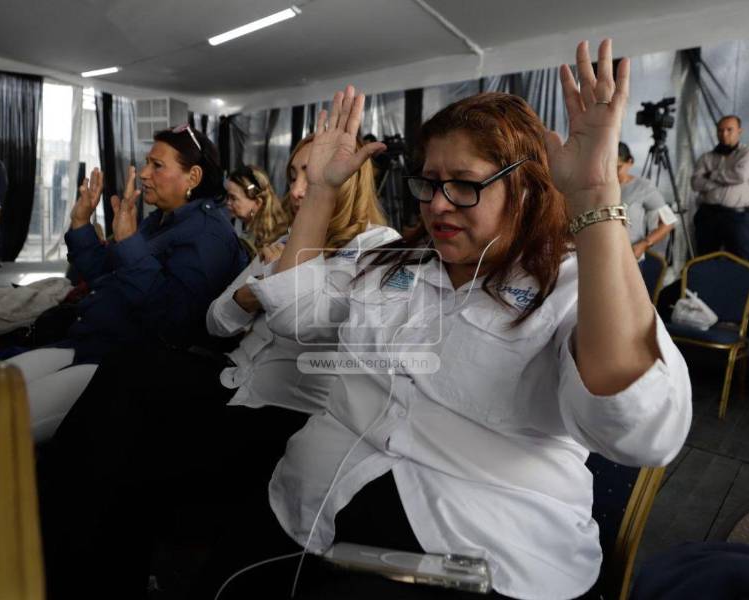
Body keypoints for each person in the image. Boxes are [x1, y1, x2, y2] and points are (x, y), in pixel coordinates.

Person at [227, 39, 689, 599]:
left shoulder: (569, 284)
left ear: (524, 187)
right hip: (308, 509)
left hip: (483, 550)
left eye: (465, 185)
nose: (438, 203)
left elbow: (642, 431)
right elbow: (295, 319)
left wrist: (594, 199)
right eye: (428, 183)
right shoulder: (395, 261)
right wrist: (322, 191)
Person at [38, 134, 400, 600]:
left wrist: (273, 284)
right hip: (227, 379)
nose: (294, 191)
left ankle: (69, 549)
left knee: (131, 445)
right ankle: (64, 544)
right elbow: (218, 318)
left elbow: (301, 322)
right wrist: (250, 295)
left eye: (307, 177)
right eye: (293, 177)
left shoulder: (377, 249)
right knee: (126, 375)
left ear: (347, 181)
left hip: (282, 408)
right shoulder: (287, 240)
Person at [8, 125, 246, 441]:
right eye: (147, 162)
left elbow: (175, 321)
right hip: (92, 341)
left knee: (1, 425)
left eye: (157, 165)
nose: (144, 173)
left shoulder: (209, 236)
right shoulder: (160, 220)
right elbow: (105, 278)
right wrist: (81, 224)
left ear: (193, 177)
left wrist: (130, 244)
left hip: (125, 361)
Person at [691, 115, 749, 261]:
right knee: (705, 259)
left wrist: (710, 175)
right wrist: (725, 180)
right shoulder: (706, 157)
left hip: (736, 216)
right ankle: (707, 284)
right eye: (720, 130)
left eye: (730, 130)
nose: (724, 134)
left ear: (739, 131)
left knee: (741, 260)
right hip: (707, 214)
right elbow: (695, 183)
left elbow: (740, 176)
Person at [617, 141, 676, 259]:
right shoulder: (597, 188)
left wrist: (644, 244)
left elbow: (669, 221)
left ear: (630, 162)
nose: (612, 172)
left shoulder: (642, 187)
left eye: (618, 167)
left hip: (630, 256)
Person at [225, 164, 290, 258]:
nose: (228, 203)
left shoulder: (272, 240)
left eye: (233, 198)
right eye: (227, 197)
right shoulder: (238, 224)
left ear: (257, 203)